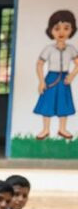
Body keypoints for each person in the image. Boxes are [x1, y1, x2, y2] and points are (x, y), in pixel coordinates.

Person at [34, 9, 78, 141]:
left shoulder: (71, 49)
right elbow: (39, 64)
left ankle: (62, 128)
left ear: (72, 30)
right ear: (51, 31)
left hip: (64, 79)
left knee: (63, 103)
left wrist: (72, 75)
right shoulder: (49, 49)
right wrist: (41, 81)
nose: (61, 32)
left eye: (66, 28)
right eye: (57, 28)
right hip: (51, 78)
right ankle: (45, 129)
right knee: (47, 103)